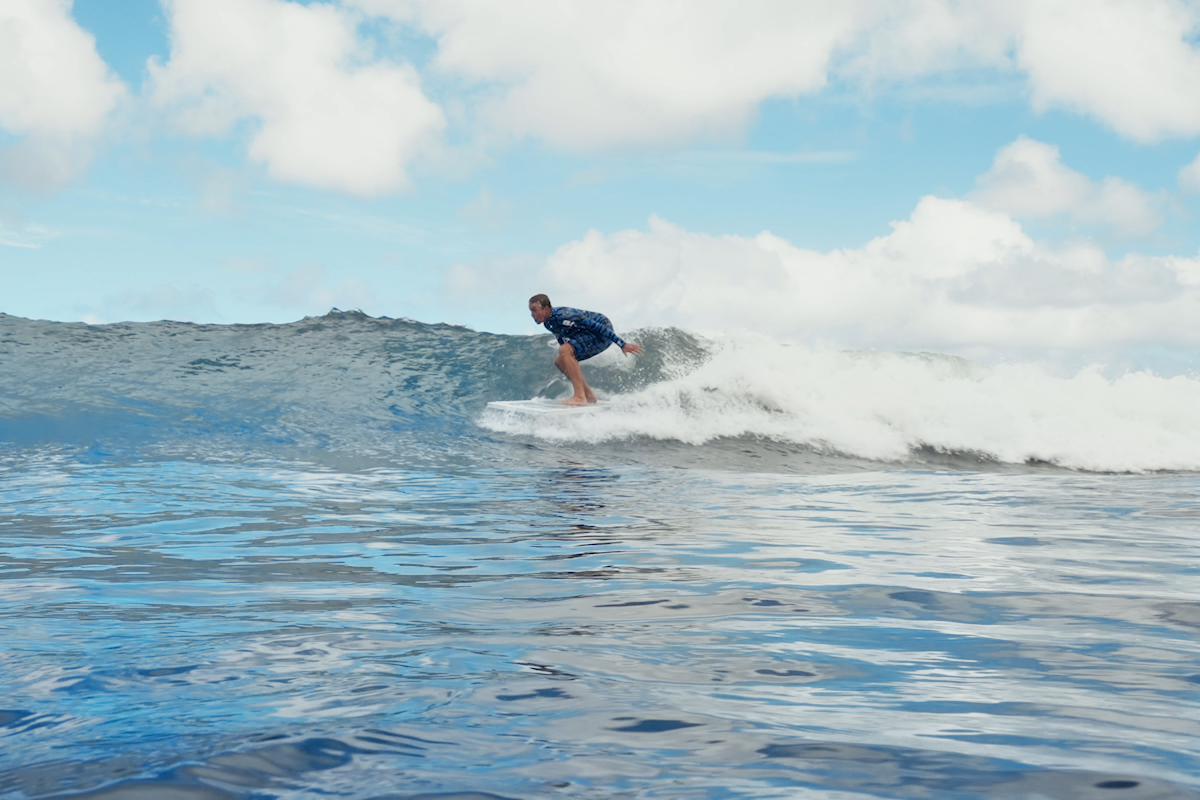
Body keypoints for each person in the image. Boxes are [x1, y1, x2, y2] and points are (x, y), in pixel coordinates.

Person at [528, 294, 642, 405]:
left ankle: (579, 397)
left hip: (601, 332)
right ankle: (588, 395)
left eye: (535, 310)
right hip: (585, 335)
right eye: (531, 311)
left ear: (546, 308)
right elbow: (561, 337)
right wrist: (568, 357)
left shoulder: (565, 315)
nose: (532, 314)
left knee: (565, 350)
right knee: (559, 361)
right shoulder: (547, 323)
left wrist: (622, 344)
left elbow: (598, 327)